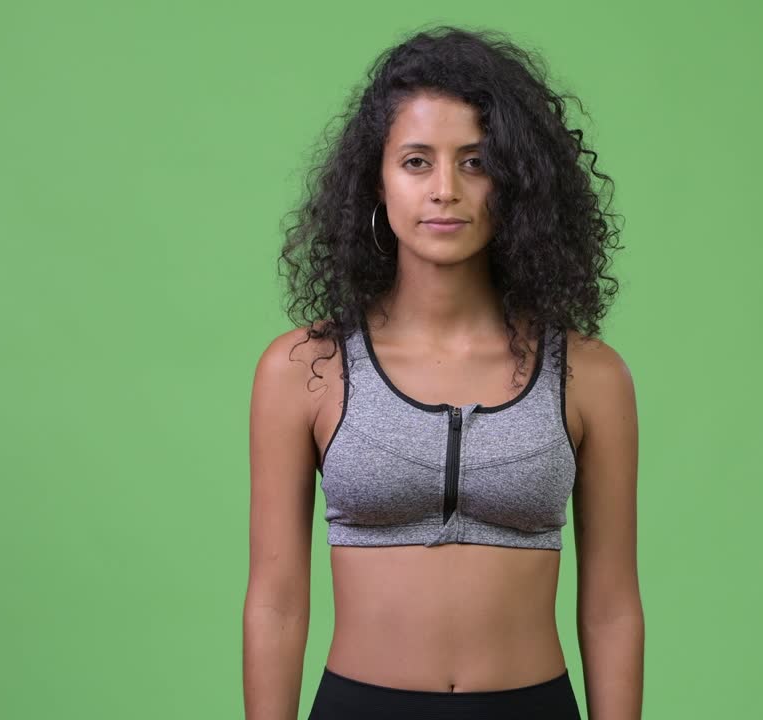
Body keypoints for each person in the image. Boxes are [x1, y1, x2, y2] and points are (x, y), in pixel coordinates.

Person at [244, 25, 642, 719]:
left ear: (514, 180)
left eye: (476, 162)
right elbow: (275, 604)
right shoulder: (304, 369)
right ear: (378, 178)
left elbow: (611, 610)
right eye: (417, 162)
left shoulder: (590, 376)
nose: (445, 190)